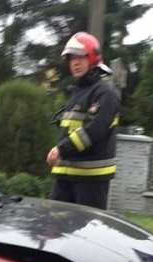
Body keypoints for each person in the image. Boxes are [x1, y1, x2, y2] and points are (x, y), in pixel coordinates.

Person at [46, 32, 121, 210]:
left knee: (89, 232)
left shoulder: (105, 92)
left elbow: (94, 130)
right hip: (66, 173)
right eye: (71, 59)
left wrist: (61, 148)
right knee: (51, 227)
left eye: (80, 57)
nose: (75, 63)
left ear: (93, 59)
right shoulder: (79, 91)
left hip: (90, 177)